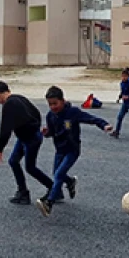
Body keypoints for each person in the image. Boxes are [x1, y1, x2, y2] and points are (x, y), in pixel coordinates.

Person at [35, 86, 114, 217]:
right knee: (57, 174)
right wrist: (47, 133)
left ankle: (49, 202)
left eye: (55, 103)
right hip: (59, 150)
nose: (53, 107)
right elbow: (52, 132)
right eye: (50, 104)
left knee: (59, 174)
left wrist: (104, 125)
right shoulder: (51, 116)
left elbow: (91, 118)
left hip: (72, 150)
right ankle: (70, 182)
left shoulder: (72, 112)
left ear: (63, 100)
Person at [0, 81, 54, 205]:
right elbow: (36, 113)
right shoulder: (20, 98)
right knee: (13, 161)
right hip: (28, 136)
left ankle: (53, 188)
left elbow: (5, 130)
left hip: (30, 139)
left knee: (30, 167)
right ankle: (23, 192)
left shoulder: (9, 105)